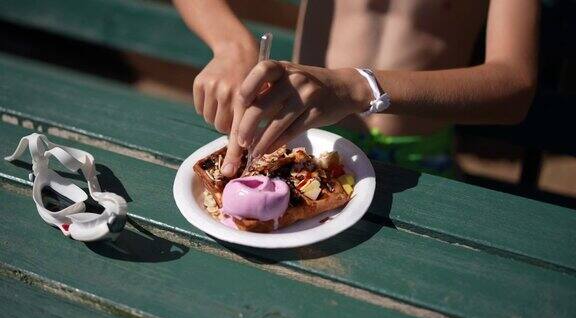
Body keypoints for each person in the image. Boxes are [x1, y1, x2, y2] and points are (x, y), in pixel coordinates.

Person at [173, 0, 539, 178]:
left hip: (421, 163)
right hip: (307, 146)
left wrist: (359, 86)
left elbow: (515, 86)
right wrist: (232, 45)